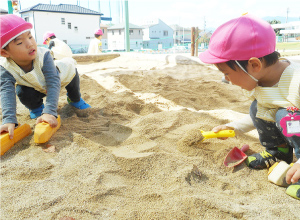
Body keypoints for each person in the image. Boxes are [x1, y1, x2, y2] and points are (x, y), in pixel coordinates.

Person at [199, 13, 300, 200]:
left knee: (289, 116)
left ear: (254, 65)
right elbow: (262, 111)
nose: (225, 79)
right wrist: (233, 127)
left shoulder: (296, 82)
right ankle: (278, 152)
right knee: (256, 107)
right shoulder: (261, 81)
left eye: (227, 73)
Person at [0, 14, 91, 139]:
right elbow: (6, 91)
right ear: (4, 53)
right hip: (35, 86)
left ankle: (74, 99)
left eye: (30, 37)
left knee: (72, 77)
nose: (30, 44)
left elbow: (53, 82)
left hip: (60, 77)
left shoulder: (44, 56)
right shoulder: (5, 67)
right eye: (20, 42)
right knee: (21, 90)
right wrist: (8, 119)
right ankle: (36, 108)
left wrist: (49, 112)